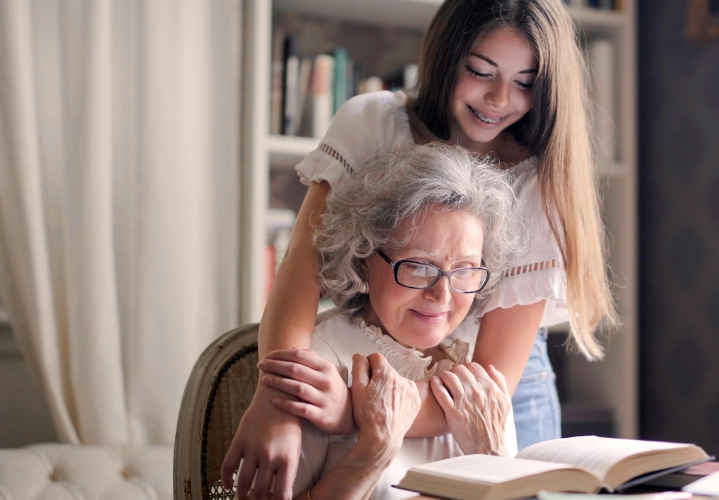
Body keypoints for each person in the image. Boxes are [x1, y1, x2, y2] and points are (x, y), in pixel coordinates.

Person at [223, 0, 618, 498]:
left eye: (525, 82)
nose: (500, 98)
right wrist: (278, 399)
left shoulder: (537, 182)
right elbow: (303, 267)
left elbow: (491, 378)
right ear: (446, 57)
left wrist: (352, 410)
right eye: (480, 71)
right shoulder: (373, 124)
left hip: (489, 385)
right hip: (375, 362)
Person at [253, 143, 522, 499]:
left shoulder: (478, 380)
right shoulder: (317, 364)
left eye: (465, 270)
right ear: (363, 256)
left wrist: (492, 459)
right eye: (418, 266)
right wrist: (369, 456)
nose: (442, 295)